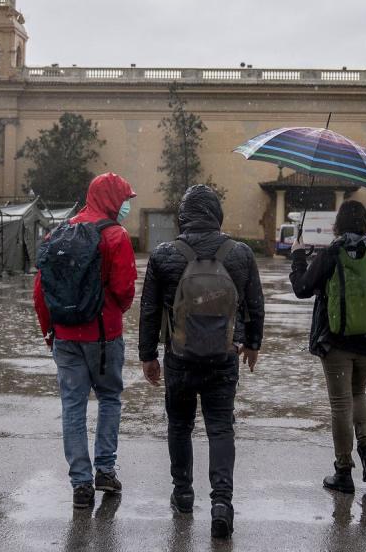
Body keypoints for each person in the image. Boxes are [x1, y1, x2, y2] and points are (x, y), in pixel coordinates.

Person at [139, 185, 265, 539]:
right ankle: (222, 503)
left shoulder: (165, 254)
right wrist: (252, 344)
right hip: (224, 358)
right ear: (217, 215)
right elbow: (255, 303)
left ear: (183, 217)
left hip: (178, 359)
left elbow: (149, 310)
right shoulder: (239, 253)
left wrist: (147, 355)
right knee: (221, 428)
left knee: (179, 426)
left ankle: (182, 494)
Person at [33, 173, 138, 510]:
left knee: (73, 406)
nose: (126, 206)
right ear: (111, 198)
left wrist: (50, 330)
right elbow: (124, 291)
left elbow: (40, 291)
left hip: (64, 335)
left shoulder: (58, 233)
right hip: (104, 336)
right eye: (124, 199)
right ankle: (104, 469)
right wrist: (111, 312)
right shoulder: (116, 236)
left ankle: (80, 483)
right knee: (109, 398)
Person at [289, 200, 366, 494]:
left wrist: (297, 258)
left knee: (341, 404)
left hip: (336, 341)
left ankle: (343, 471)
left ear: (338, 225)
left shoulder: (332, 253)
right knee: (358, 393)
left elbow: (302, 289)